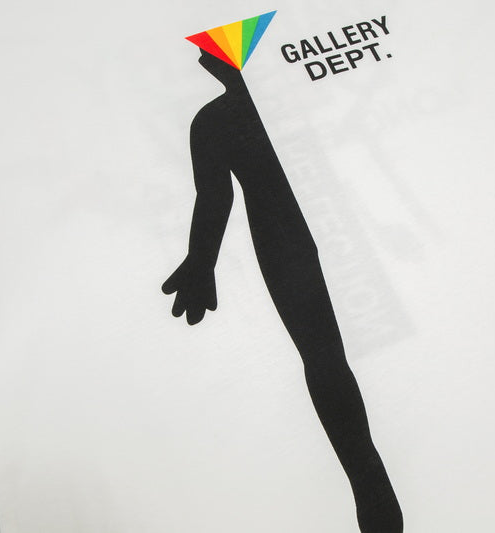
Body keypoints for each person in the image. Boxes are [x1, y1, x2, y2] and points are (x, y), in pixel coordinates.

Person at [162, 48, 403, 532]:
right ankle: (370, 486)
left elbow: (216, 195)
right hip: (289, 238)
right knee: (325, 358)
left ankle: (370, 487)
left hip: (295, 235)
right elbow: (216, 195)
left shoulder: (224, 115)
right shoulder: (218, 119)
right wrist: (201, 260)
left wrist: (202, 261)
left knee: (325, 358)